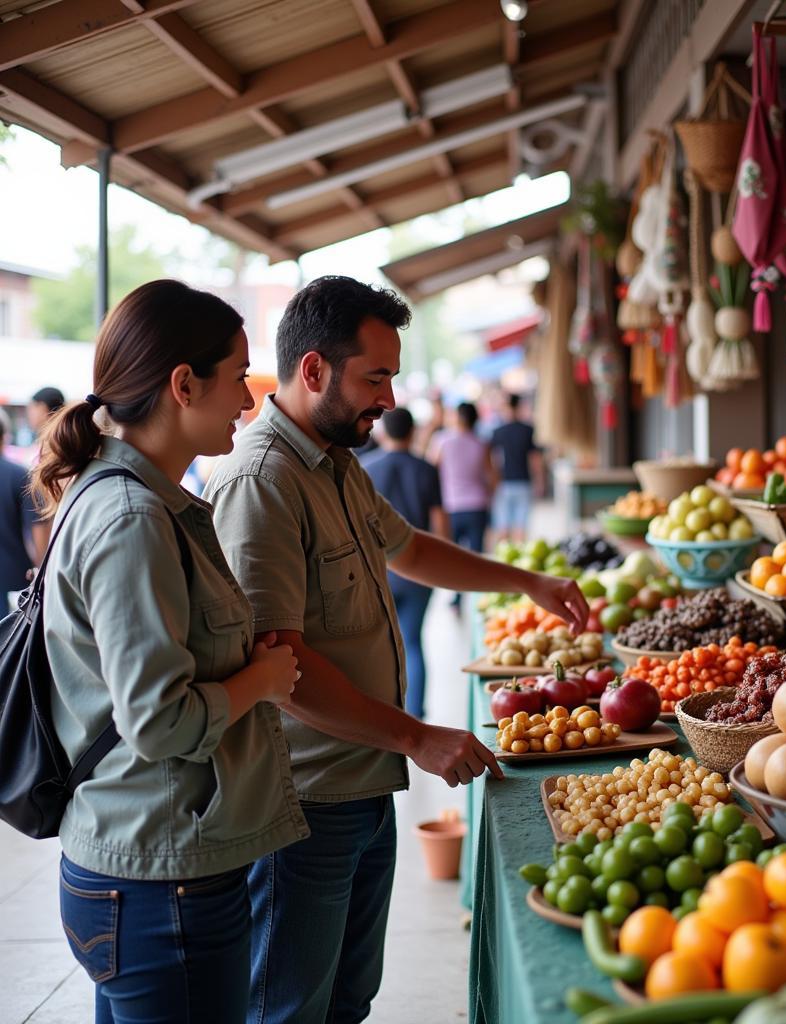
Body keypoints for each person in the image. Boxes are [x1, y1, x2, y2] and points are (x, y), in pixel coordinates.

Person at [203, 275, 587, 1024]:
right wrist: (417, 736)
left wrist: (528, 581)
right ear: (314, 371)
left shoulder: (335, 461)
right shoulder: (262, 480)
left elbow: (409, 549)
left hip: (360, 784)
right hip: (301, 804)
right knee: (288, 1008)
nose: (388, 397)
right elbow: (282, 669)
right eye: (374, 377)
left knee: (346, 998)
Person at [32, 280, 307, 1024]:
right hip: (160, 881)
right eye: (238, 379)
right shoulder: (131, 517)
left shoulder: (138, 499)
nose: (249, 405)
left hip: (147, 870)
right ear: (183, 384)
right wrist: (262, 679)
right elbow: (158, 722)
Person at [362, 407, 447, 719]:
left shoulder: (365, 468)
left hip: (377, 571)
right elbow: (440, 523)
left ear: (384, 431)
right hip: (417, 571)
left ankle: (387, 711)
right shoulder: (426, 469)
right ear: (413, 432)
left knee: (379, 645)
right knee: (412, 641)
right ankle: (415, 714)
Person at [434, 401, 494, 607]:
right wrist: (487, 495)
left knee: (453, 556)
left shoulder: (442, 441)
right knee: (475, 556)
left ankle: (457, 598)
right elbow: (493, 475)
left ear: (458, 417)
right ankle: (478, 599)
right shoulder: (481, 443)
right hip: (477, 505)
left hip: (451, 505)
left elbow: (432, 469)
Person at [489, 392, 544, 544]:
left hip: (504, 483)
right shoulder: (527, 430)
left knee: (503, 527)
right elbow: (535, 459)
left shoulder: (498, 432)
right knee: (521, 526)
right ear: (518, 406)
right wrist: (540, 482)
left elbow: (493, 462)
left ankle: (503, 561)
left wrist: (492, 483)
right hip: (524, 482)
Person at [0, 407, 40, 608]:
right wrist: (42, 569)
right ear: (4, 437)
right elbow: (36, 530)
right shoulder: (20, 475)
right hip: (14, 578)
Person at [27, 386, 65, 551]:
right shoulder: (59, 438)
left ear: (42, 408)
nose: (29, 414)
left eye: (31, 408)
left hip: (54, 527)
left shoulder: (54, 443)